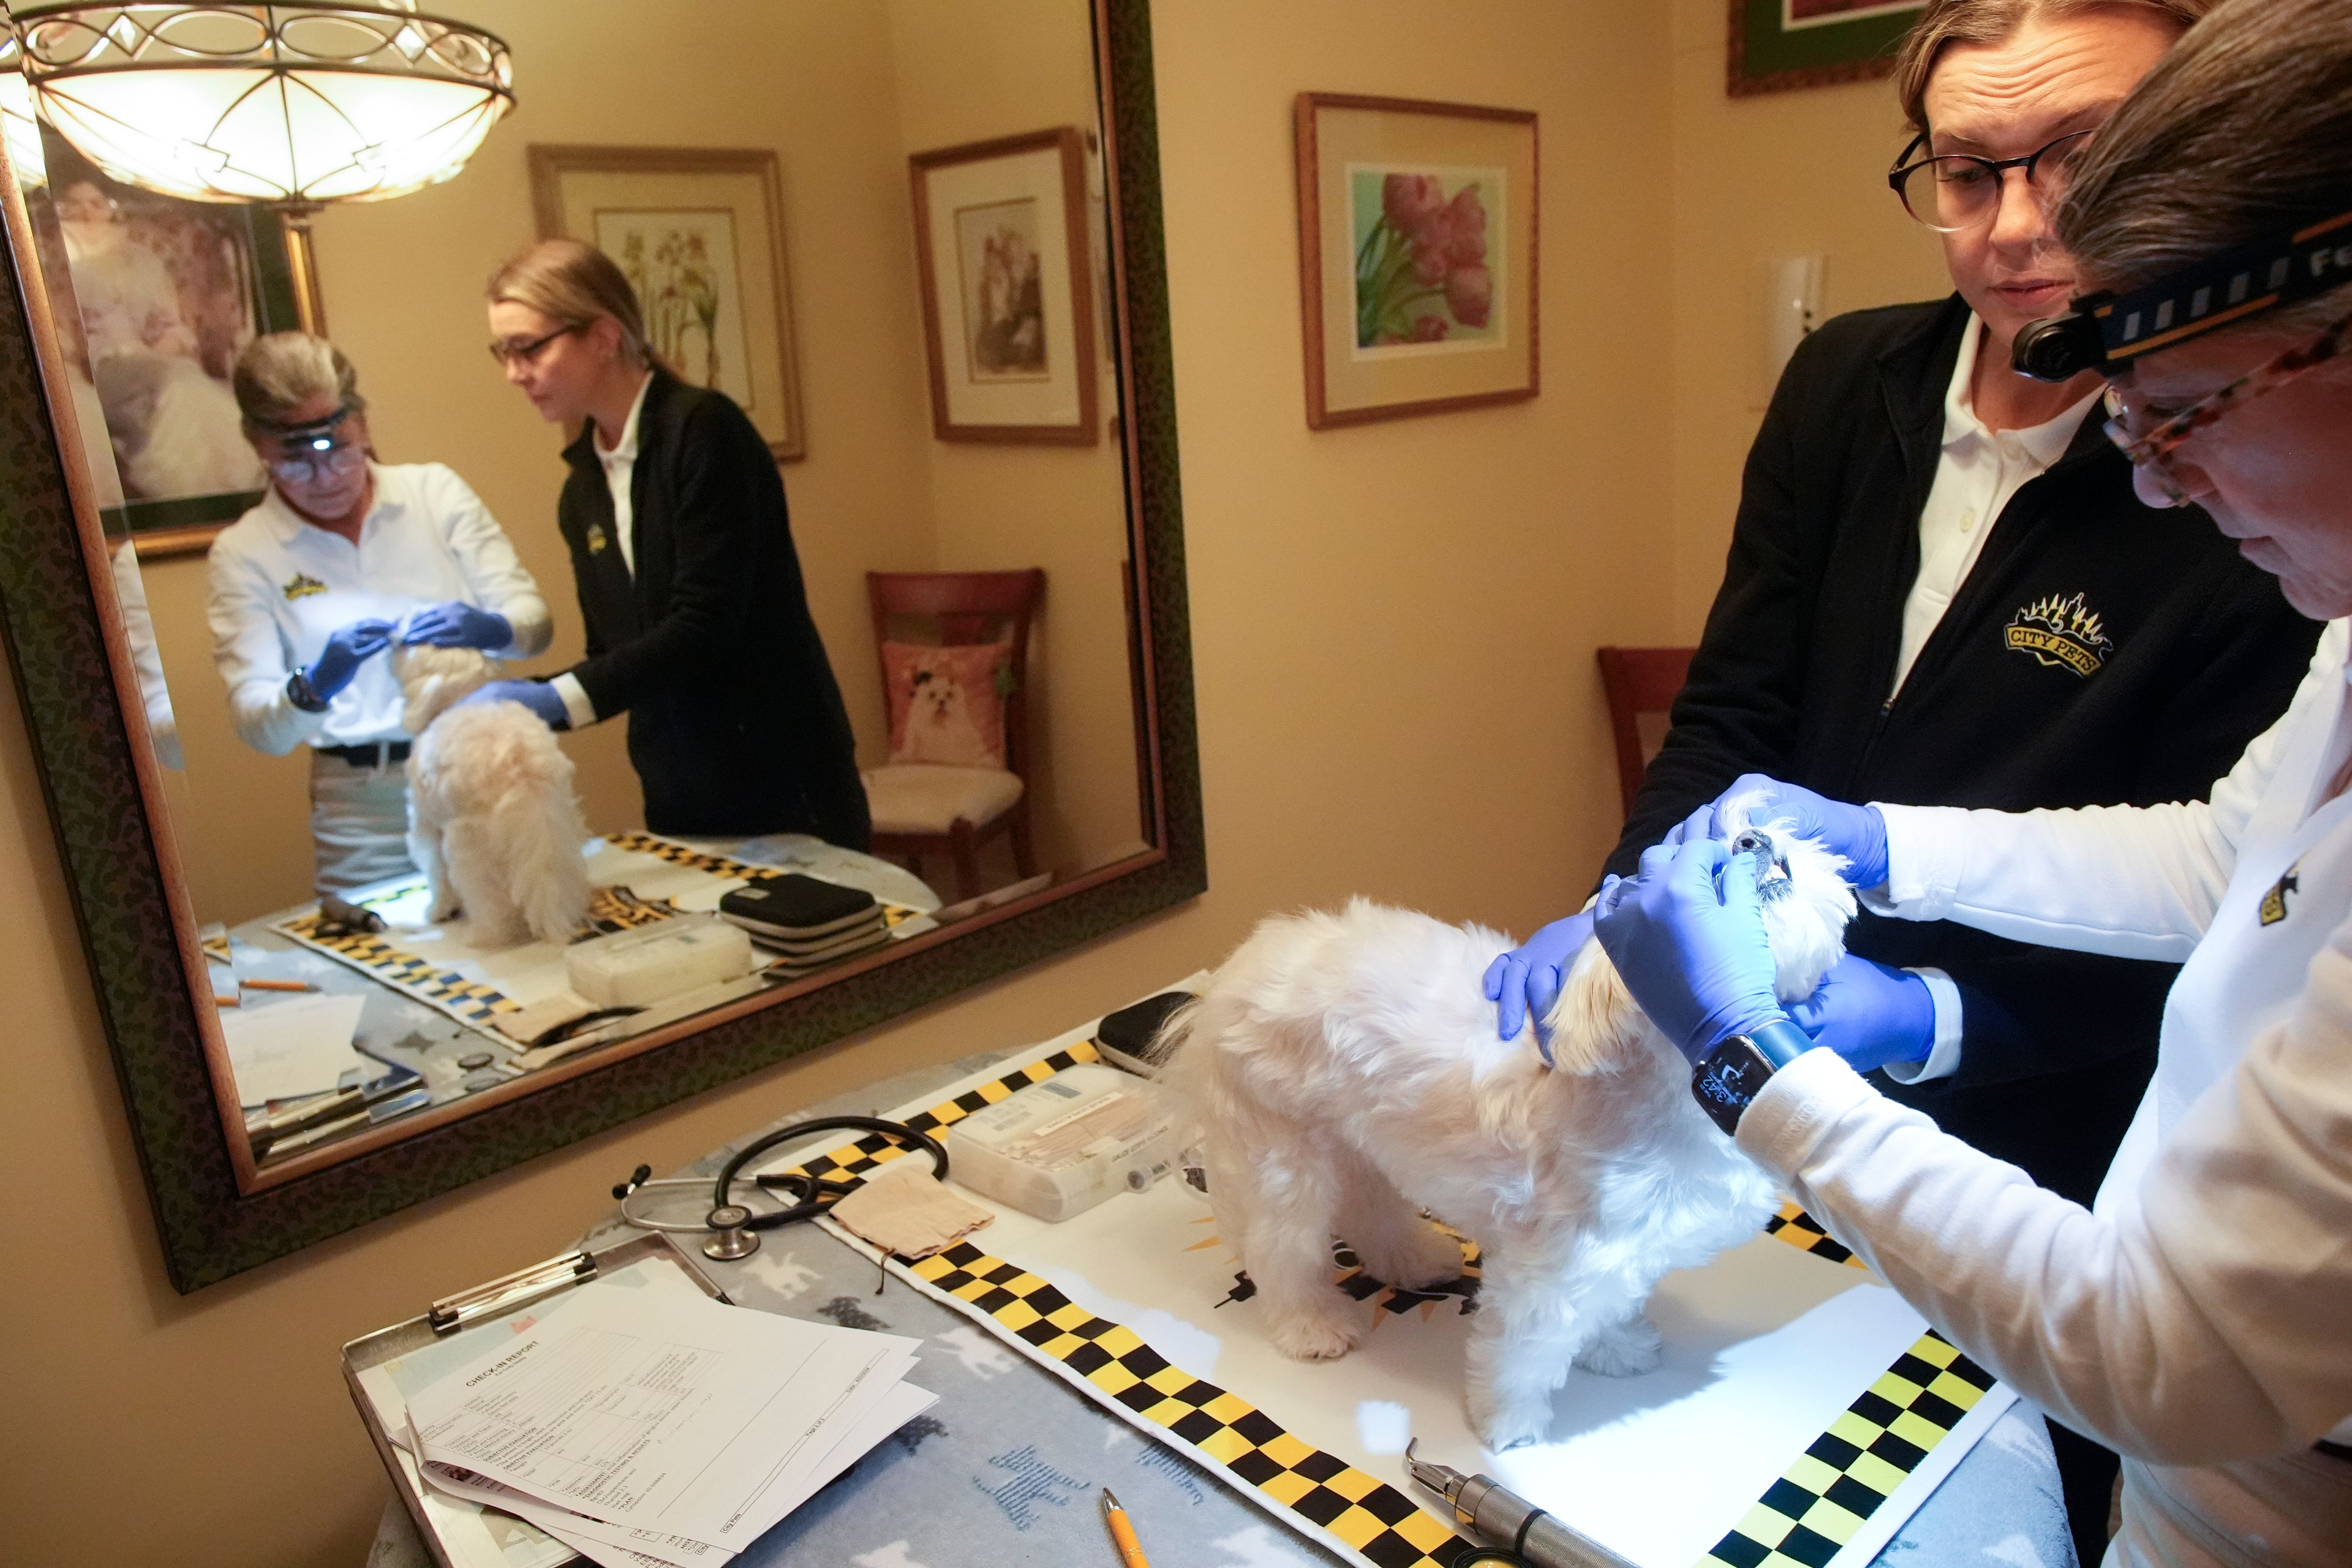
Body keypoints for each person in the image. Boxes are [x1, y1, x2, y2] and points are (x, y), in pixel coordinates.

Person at [1488, 4, 2322, 1547]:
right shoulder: (1848, 387)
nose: (2015, 229)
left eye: (2077, 160)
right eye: (1966, 169)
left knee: (1978, 1493)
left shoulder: (2267, 527)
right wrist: (1672, 909)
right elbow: (2225, 851)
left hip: (2062, 1162)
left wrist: (1884, 1028)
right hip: (1796, 1122)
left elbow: (2167, 1336)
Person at [478, 239, 869, 849]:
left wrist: (550, 698)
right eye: (503, 352)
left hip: (781, 773)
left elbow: (705, 624)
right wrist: (515, 705)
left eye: (529, 348)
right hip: (678, 788)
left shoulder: (704, 431)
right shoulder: (582, 492)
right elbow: (618, 652)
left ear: (604, 336)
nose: (513, 373)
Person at [207, 332, 552, 895]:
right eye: (294, 463)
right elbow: (258, 729)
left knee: (516, 931)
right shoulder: (245, 552)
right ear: (257, 445)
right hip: (360, 810)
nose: (325, 479)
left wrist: (494, 629)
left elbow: (534, 626)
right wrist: (312, 686)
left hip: (477, 766)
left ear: (362, 424)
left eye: (339, 449)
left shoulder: (434, 494)